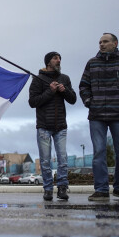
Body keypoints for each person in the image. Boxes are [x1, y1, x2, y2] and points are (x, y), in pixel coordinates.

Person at [79, 33, 119, 201]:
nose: (101, 44)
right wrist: (89, 101)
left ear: (115, 43)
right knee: (99, 152)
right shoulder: (92, 63)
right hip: (97, 115)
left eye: (105, 41)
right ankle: (101, 189)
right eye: (99, 42)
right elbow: (83, 86)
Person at [29, 52, 77, 201]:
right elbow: (33, 102)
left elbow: (73, 99)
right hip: (43, 126)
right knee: (45, 160)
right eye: (55, 58)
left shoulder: (65, 78)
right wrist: (50, 91)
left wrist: (65, 91)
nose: (59, 60)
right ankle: (48, 189)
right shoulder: (38, 79)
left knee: (63, 158)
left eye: (60, 58)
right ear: (48, 62)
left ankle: (62, 188)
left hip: (61, 125)